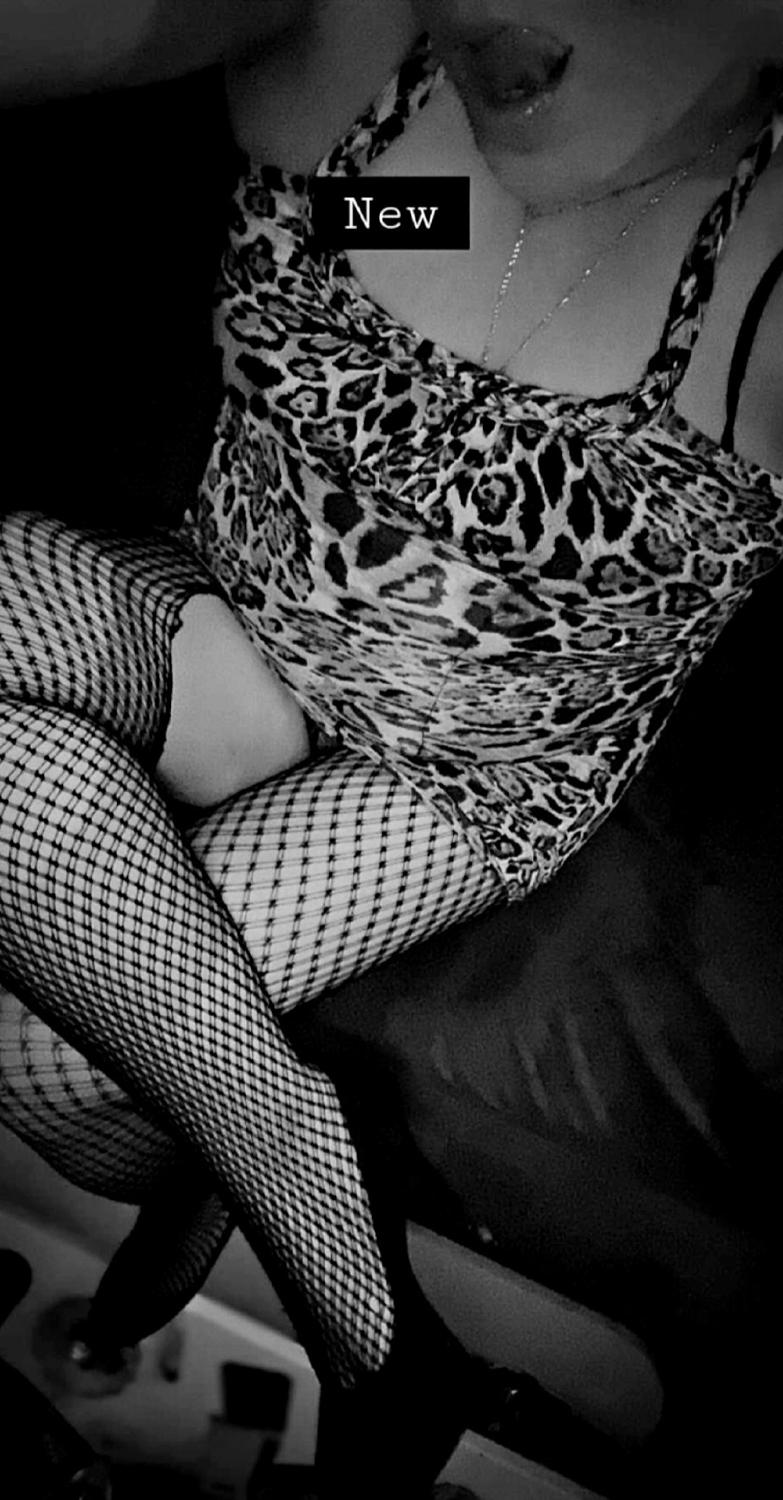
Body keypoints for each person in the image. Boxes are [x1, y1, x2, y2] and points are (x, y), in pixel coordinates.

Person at [1, 1, 782, 1493]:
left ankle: (300, 1226)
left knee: (40, 1054)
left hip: (453, 769)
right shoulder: (375, 80)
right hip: (228, 632)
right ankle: (287, 1151)